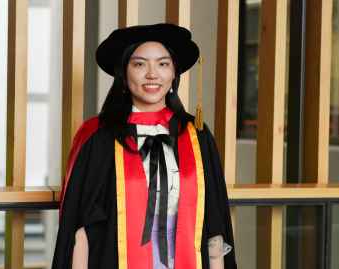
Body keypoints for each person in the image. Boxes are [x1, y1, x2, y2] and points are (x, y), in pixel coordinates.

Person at [52, 23, 236, 269]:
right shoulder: (99, 136)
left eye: (163, 64)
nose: (152, 74)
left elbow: (214, 224)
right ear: (124, 75)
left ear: (174, 74)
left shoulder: (196, 134)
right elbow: (82, 231)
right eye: (139, 64)